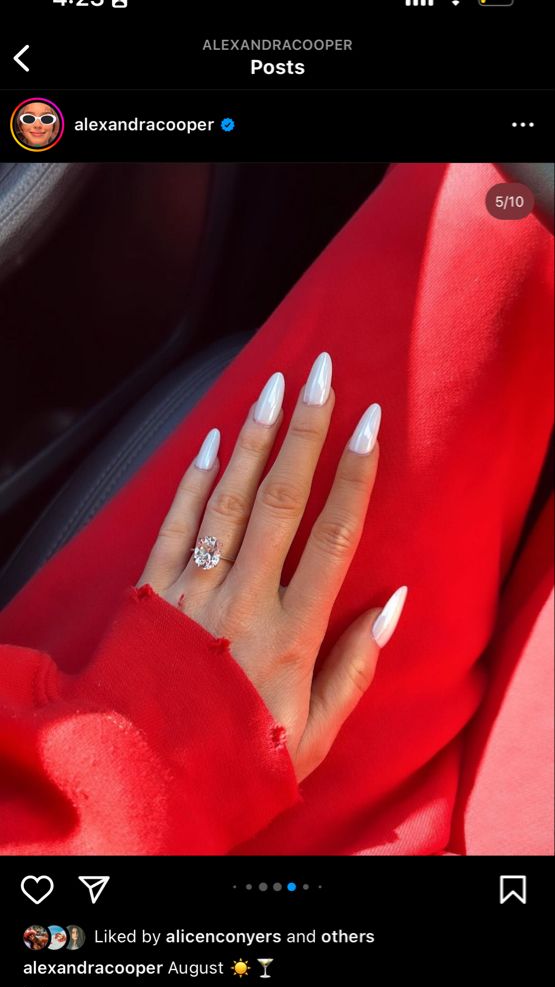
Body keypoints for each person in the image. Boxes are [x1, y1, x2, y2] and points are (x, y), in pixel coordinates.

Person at [0, 162, 552, 856]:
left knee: (489, 214)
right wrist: (169, 747)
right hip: (159, 792)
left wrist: (164, 726)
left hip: (92, 755)